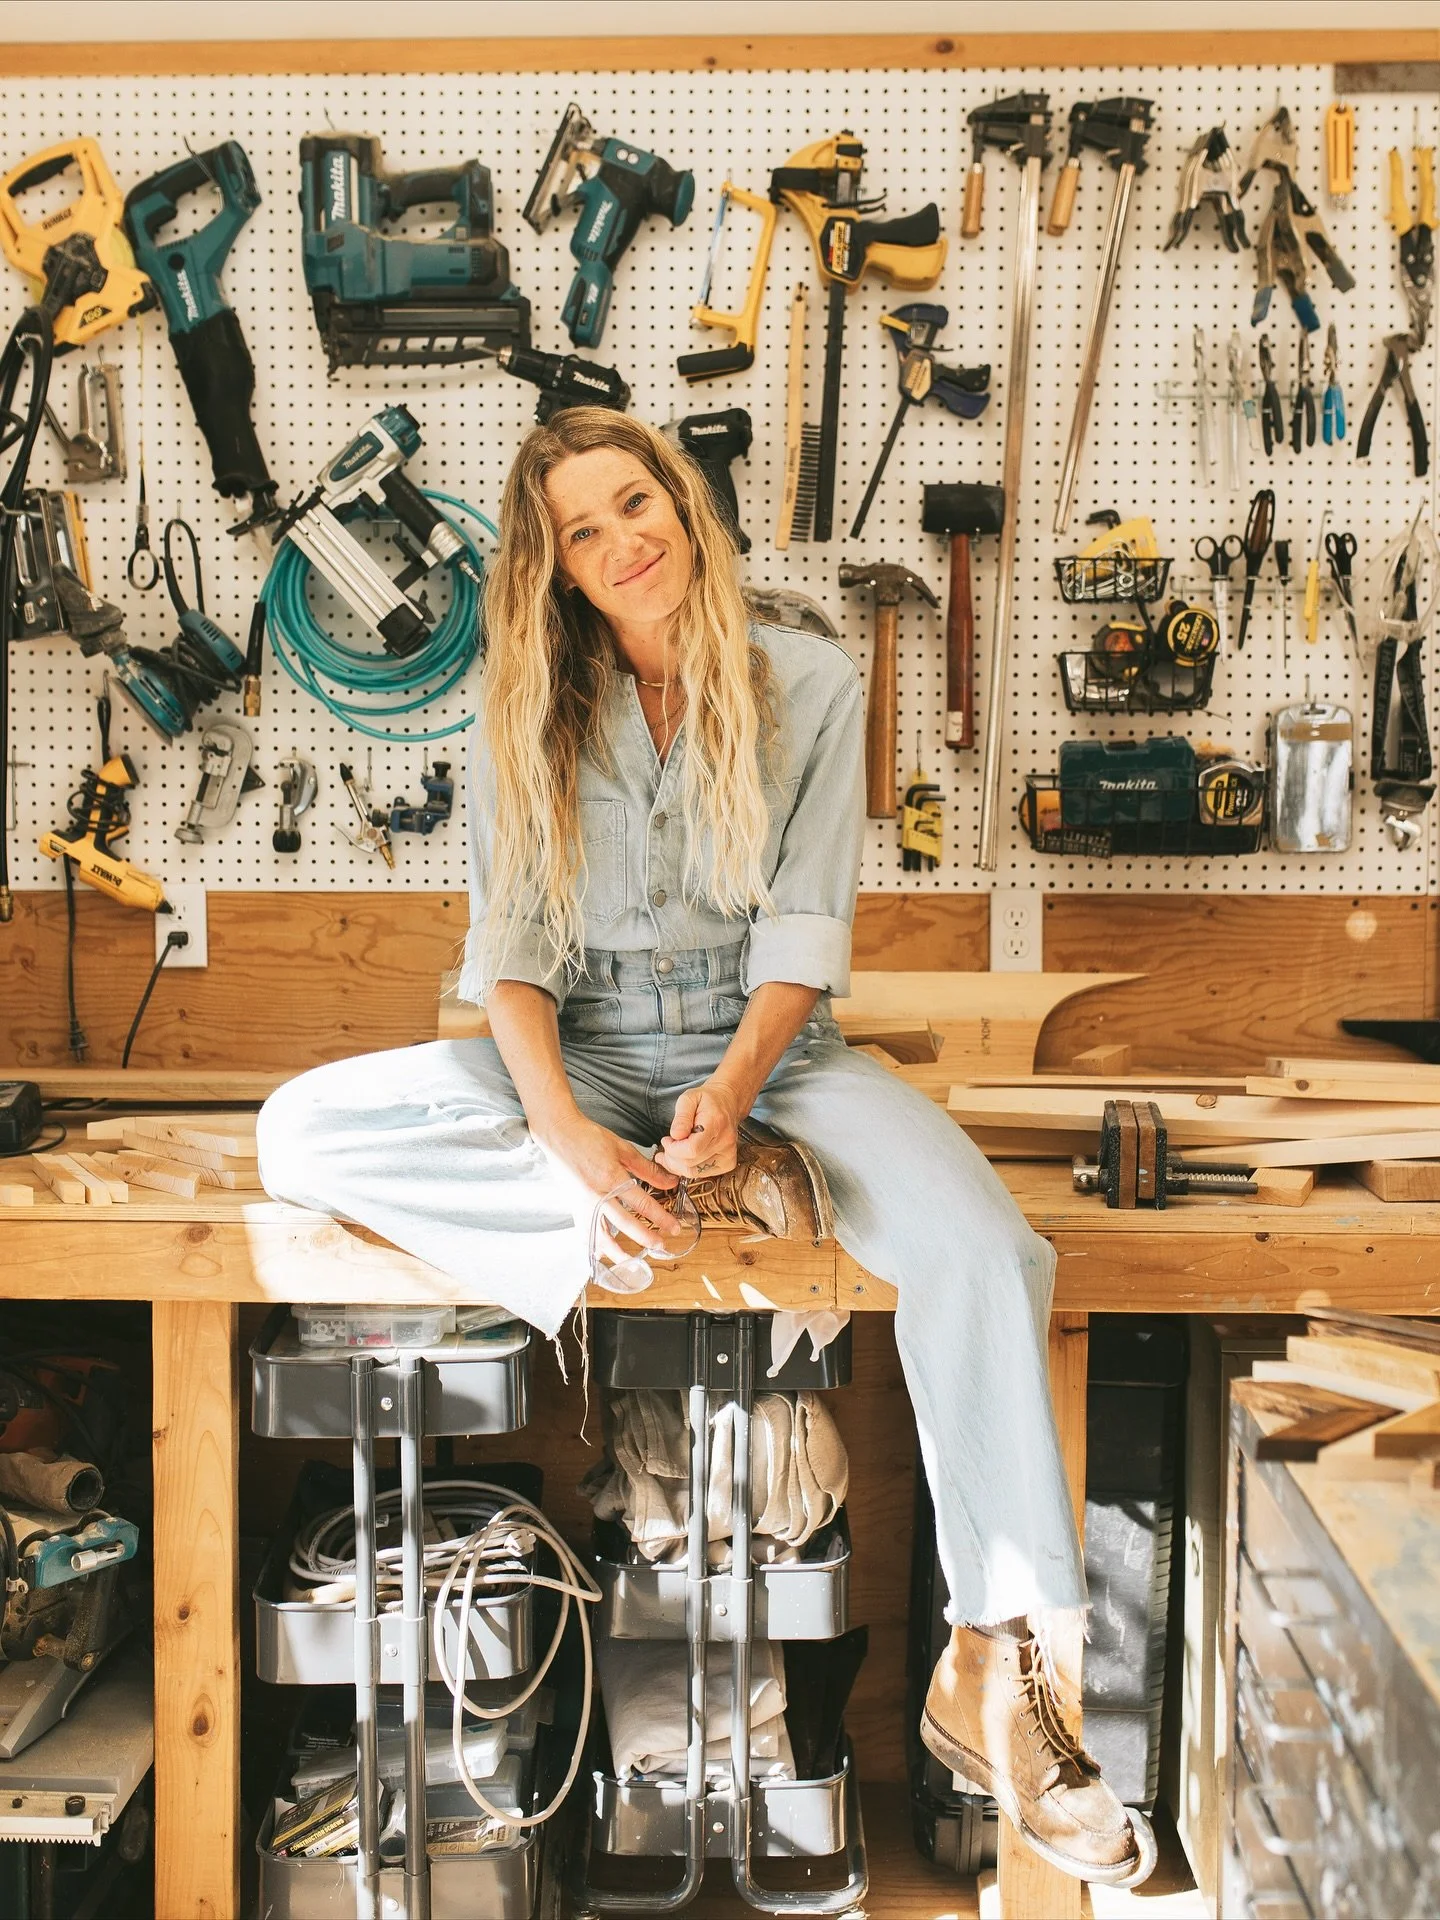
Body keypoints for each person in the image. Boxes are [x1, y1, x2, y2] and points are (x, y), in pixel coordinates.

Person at [256, 407, 1152, 1887]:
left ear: (683, 501)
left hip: (774, 1060)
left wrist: (734, 1099)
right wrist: (568, 1152)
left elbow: (801, 943)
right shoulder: (524, 699)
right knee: (302, 1130)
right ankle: (604, 1219)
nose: (625, 544)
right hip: (589, 1055)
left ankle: (1000, 1666)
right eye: (584, 533)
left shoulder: (810, 677)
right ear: (555, 570)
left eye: (637, 502)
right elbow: (516, 970)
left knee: (992, 1254)